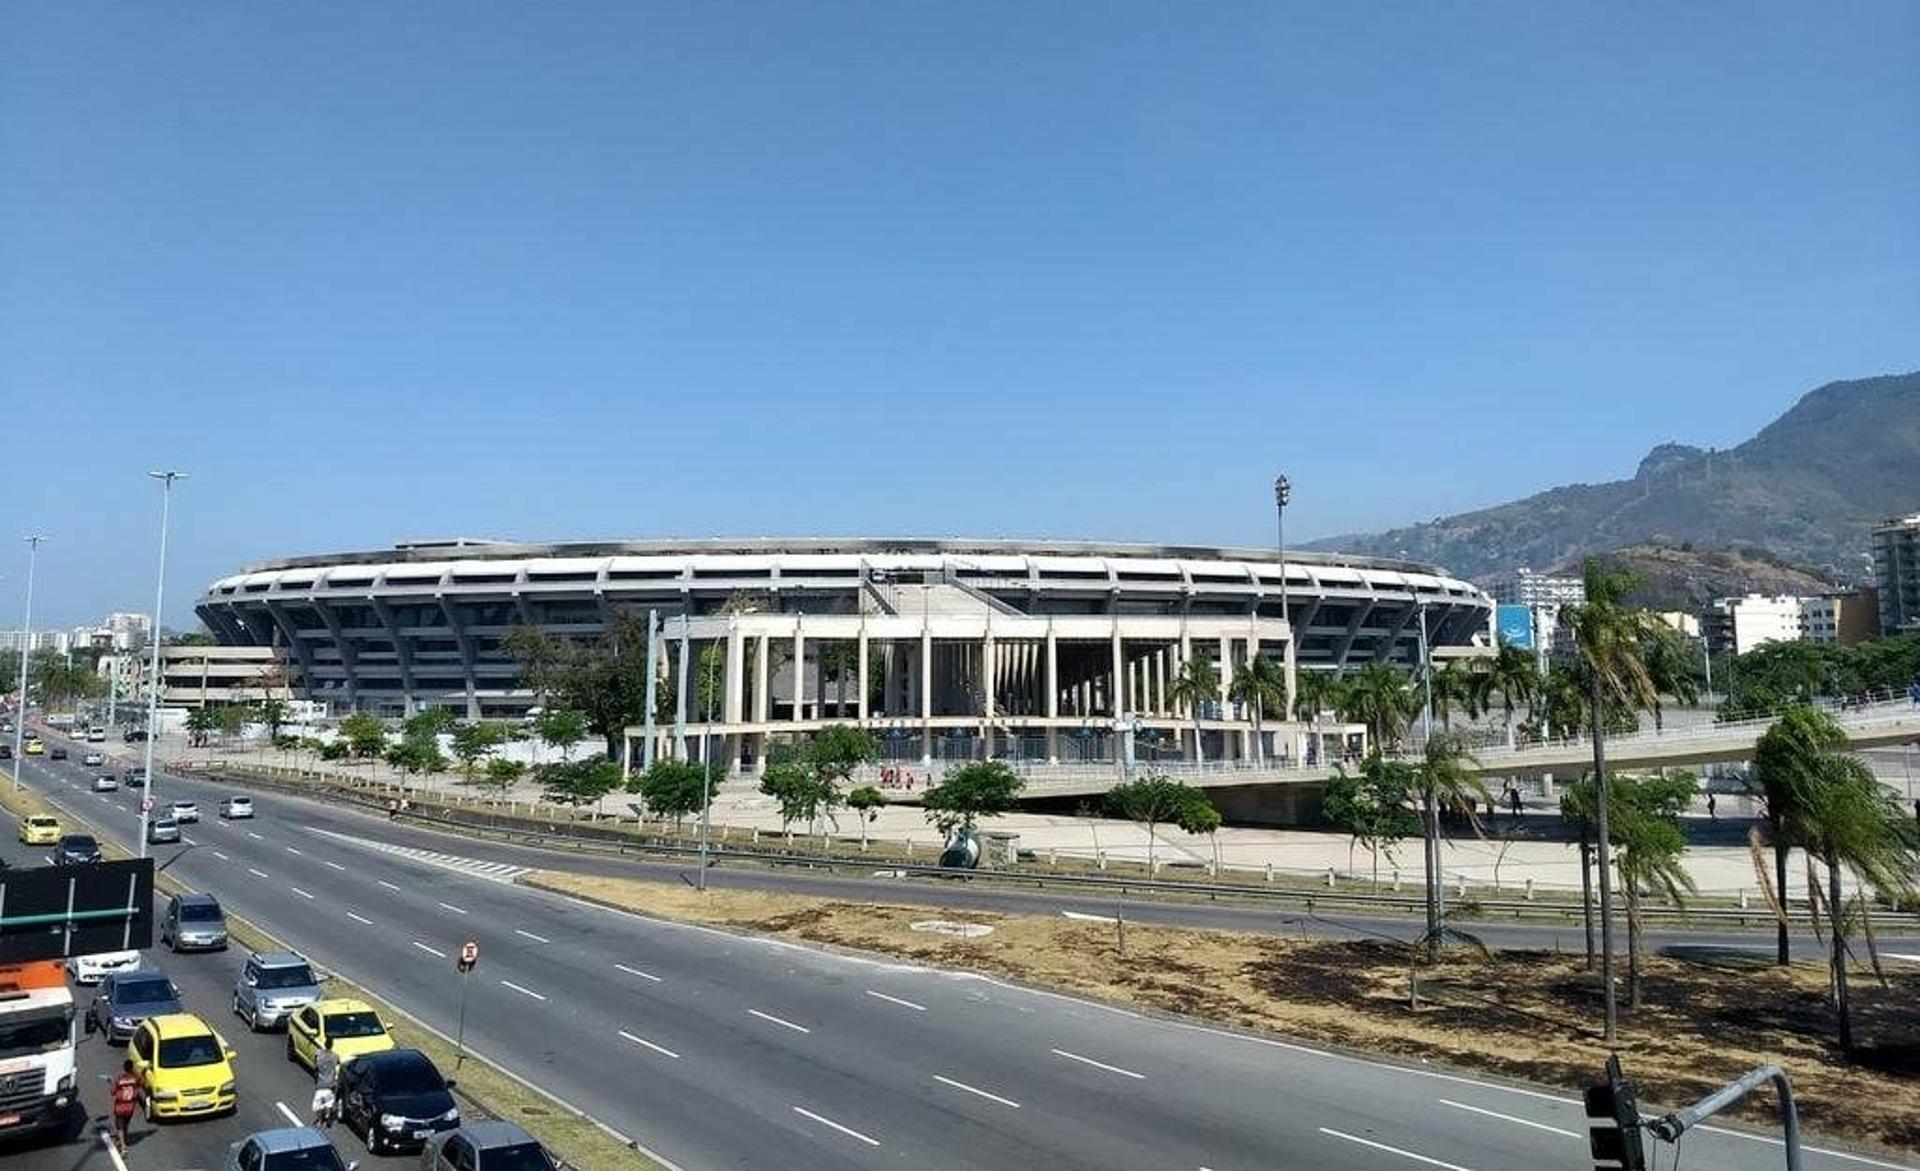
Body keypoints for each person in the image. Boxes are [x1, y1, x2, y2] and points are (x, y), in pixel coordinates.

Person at [109, 1058, 140, 1153]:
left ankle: (123, 1146)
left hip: (120, 1106)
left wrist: (111, 1082)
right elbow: (139, 1085)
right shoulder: (135, 1078)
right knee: (126, 1123)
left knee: (119, 1126)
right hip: (130, 1106)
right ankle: (125, 1139)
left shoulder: (119, 1078)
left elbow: (112, 1092)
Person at [311, 1044, 339, 1127]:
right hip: (330, 1084)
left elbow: (315, 1068)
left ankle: (320, 1120)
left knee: (318, 1104)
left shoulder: (319, 1057)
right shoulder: (335, 1056)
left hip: (321, 1085)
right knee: (329, 1103)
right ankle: (328, 1118)